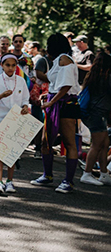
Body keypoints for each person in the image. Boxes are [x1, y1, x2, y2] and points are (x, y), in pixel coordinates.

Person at [31, 33, 81, 193]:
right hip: (54, 101)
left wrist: (52, 100)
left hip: (65, 104)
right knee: (46, 141)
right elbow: (56, 82)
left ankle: (68, 181)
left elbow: (66, 86)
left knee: (69, 142)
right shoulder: (59, 59)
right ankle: (47, 175)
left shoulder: (64, 59)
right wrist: (49, 95)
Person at [0, 54, 30, 194]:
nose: (10, 68)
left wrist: (24, 106)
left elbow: (25, 98)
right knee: (0, 150)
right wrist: (2, 96)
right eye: (7, 65)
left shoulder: (21, 80)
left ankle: (10, 181)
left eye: (13, 65)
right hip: (1, 118)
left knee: (12, 151)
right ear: (2, 66)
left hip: (15, 118)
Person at [79, 52, 111, 186]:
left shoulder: (94, 76)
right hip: (97, 114)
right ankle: (86, 174)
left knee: (104, 144)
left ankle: (104, 174)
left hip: (93, 113)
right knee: (97, 145)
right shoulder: (107, 78)